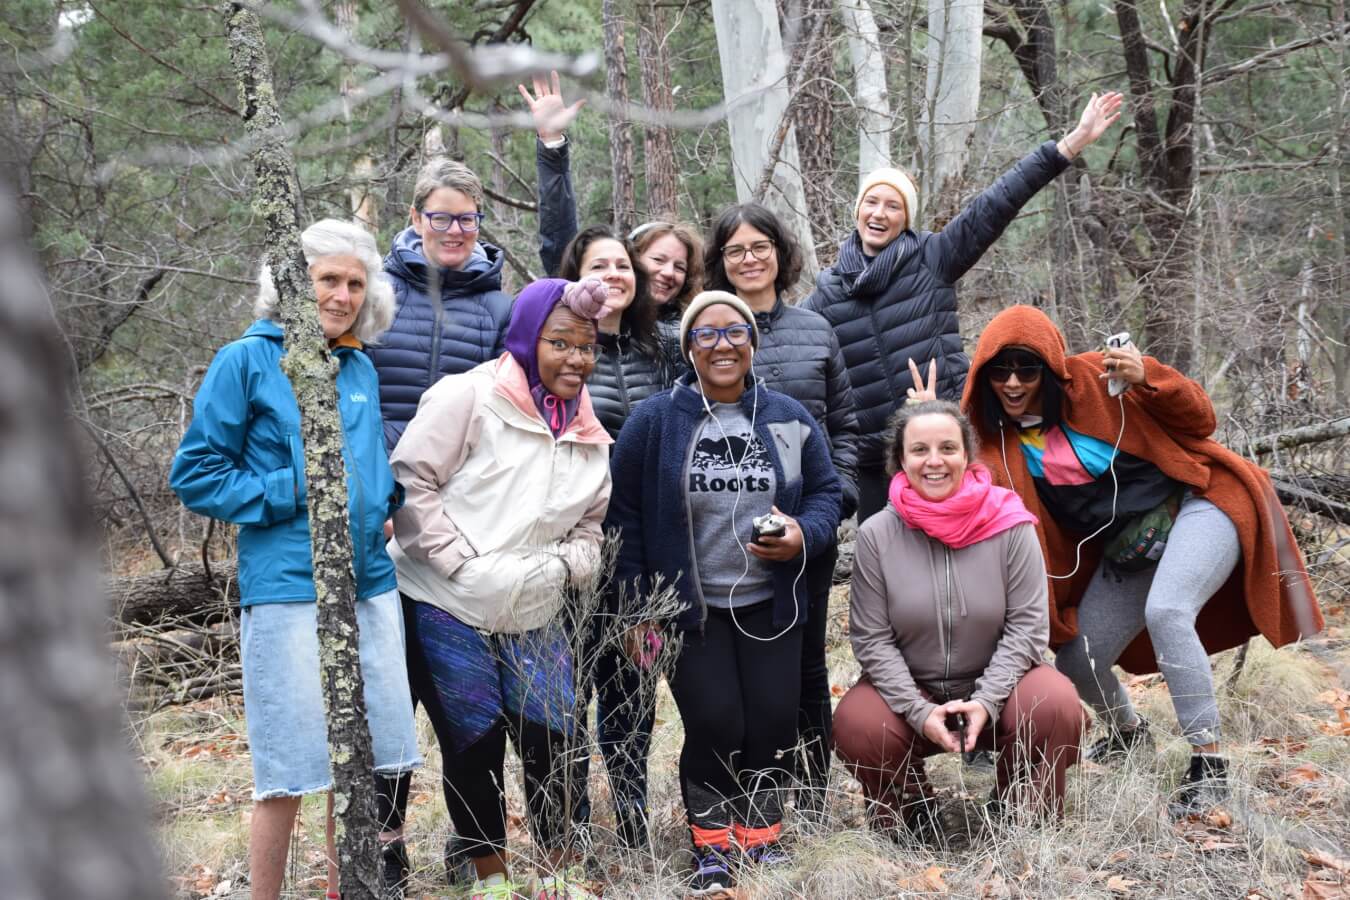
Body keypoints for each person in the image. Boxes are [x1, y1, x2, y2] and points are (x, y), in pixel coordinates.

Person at [961, 305, 1323, 815]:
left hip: (1199, 504)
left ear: (1051, 369)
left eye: (1028, 369)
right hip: (1131, 548)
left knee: (1168, 610)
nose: (1014, 383)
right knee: (1078, 659)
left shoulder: (1100, 378)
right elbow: (967, 496)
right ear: (984, 377)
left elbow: (1201, 418)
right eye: (1001, 371)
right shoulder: (1000, 446)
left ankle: (1210, 766)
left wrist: (1148, 377)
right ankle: (1128, 733)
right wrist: (934, 429)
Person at [169, 220, 420, 900]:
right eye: (327, 279)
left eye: (355, 283)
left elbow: (366, 462)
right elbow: (195, 474)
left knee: (362, 768)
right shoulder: (245, 361)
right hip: (286, 586)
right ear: (290, 284)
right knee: (287, 770)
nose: (342, 296)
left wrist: (385, 498)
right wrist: (293, 488)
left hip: (369, 584)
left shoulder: (357, 364)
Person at [607, 291, 842, 896]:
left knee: (772, 721)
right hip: (689, 611)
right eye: (705, 334)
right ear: (688, 347)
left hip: (771, 603)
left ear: (752, 343)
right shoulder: (655, 421)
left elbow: (825, 493)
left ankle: (761, 837)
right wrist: (637, 609)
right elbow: (624, 519)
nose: (722, 345)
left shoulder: (787, 417)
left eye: (735, 331)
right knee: (715, 721)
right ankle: (711, 846)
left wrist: (803, 533)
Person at [387, 278, 614, 900]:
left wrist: (570, 566)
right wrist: (458, 562)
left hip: (534, 604)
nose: (576, 358)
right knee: (475, 741)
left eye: (587, 347)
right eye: (560, 342)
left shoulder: (587, 427)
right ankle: (491, 881)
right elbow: (411, 480)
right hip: (446, 600)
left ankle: (560, 874)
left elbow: (590, 524)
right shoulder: (469, 395)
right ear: (526, 337)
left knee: (556, 739)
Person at [803, 92, 1125, 522]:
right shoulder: (827, 293)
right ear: (857, 210)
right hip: (875, 460)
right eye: (871, 202)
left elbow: (997, 203)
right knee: (885, 554)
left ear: (906, 218)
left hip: (947, 437)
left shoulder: (932, 258)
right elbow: (784, 345)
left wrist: (1072, 143)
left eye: (893, 205)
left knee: (963, 541)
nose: (879, 213)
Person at [832, 400, 1083, 837]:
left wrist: (986, 701)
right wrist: (918, 710)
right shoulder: (877, 534)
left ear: (967, 455)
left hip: (1003, 688)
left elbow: (1028, 629)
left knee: (1054, 702)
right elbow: (872, 640)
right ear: (900, 460)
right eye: (920, 450)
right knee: (858, 723)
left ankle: (1021, 812)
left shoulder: (1011, 523)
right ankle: (913, 814)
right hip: (914, 690)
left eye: (947, 448)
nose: (934, 461)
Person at [703, 202, 860, 817]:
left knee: (807, 665)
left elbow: (844, 424)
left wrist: (836, 500)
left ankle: (812, 796)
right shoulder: (706, 330)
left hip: (807, 529)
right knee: (746, 668)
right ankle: (754, 791)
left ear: (779, 252)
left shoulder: (814, 330)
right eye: (736, 250)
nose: (749, 259)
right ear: (720, 261)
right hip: (726, 538)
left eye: (760, 246)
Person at [552, 225, 675, 850]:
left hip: (642, 551)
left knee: (633, 688)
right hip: (572, 545)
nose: (613, 276)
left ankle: (630, 816)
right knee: (569, 688)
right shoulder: (561, 350)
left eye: (622, 264)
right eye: (598, 265)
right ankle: (570, 818)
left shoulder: (665, 348)